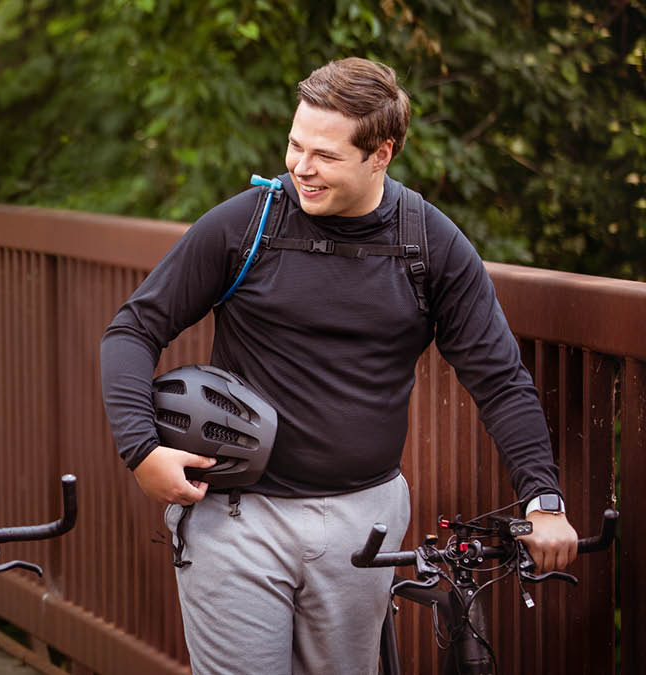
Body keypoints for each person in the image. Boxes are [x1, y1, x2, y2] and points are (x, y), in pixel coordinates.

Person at [99, 57, 579, 674]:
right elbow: (132, 329)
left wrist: (542, 499)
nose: (300, 167)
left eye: (324, 155)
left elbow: (501, 380)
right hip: (239, 517)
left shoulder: (428, 244)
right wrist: (141, 451)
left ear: (381, 153)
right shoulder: (249, 224)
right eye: (295, 145)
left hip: (365, 524)